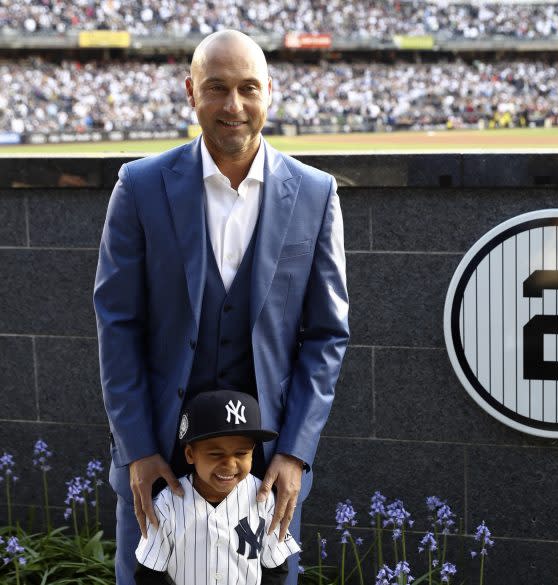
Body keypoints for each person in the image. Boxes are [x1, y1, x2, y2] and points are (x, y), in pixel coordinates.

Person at [94, 29, 349, 585]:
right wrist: (138, 450)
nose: (233, 106)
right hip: (158, 460)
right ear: (191, 92)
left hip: (266, 466)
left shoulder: (315, 193)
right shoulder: (139, 186)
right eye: (217, 88)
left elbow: (327, 335)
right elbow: (117, 326)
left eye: (248, 88)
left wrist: (295, 454)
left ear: (269, 93)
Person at [134, 390, 300, 585]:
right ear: (190, 454)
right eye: (215, 454)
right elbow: (148, 574)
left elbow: (276, 569)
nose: (230, 464)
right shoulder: (168, 503)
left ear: (253, 452)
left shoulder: (263, 499)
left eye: (241, 453)